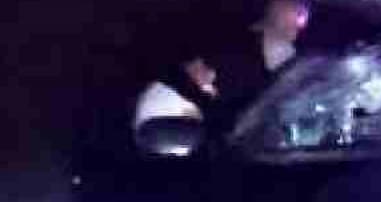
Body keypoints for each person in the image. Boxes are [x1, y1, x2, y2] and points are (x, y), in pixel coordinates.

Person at [132, 0, 312, 145]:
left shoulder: (300, 60)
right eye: (296, 6)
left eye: (305, 9)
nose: (302, 15)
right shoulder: (231, 50)